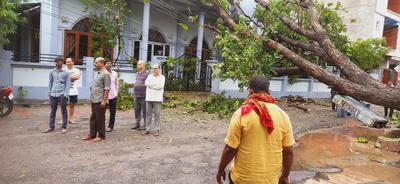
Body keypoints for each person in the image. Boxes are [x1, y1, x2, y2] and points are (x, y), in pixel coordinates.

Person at [216, 76, 295, 184]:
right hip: (271, 180)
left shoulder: (241, 113)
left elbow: (230, 149)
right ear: (269, 91)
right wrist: (285, 175)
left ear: (251, 91)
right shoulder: (283, 116)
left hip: (242, 180)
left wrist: (221, 170)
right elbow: (288, 151)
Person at [81, 57, 111, 142]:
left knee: (100, 118)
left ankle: (101, 136)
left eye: (96, 62)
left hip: (100, 100)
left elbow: (107, 88)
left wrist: (104, 100)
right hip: (94, 99)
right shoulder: (98, 73)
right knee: (93, 118)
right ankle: (92, 134)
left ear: (101, 63)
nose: (95, 64)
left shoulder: (106, 74)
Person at [44, 57, 71, 134]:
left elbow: (68, 84)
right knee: (52, 111)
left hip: (62, 94)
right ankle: (51, 127)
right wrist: (49, 91)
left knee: (64, 110)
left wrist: (66, 94)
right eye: (56, 62)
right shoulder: (52, 71)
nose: (57, 63)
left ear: (62, 62)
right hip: (53, 94)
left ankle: (64, 127)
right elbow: (50, 82)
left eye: (58, 61)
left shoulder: (66, 72)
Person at [142, 64, 165, 136]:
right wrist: (153, 85)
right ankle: (147, 129)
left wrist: (150, 86)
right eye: (153, 68)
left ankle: (156, 129)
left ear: (159, 69)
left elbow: (160, 86)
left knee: (157, 114)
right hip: (149, 98)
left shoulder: (162, 77)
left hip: (157, 98)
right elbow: (146, 83)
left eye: (155, 68)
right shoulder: (149, 76)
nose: (154, 70)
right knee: (148, 114)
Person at [132, 60, 149, 130]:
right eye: (137, 64)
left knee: (145, 111)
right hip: (136, 95)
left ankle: (145, 124)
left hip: (144, 95)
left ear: (143, 65)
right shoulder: (137, 73)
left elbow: (148, 83)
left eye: (139, 64)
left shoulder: (147, 74)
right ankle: (137, 123)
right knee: (136, 110)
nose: (137, 65)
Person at [65, 58, 81, 124]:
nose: (67, 63)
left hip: (73, 90)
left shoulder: (76, 70)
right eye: (66, 62)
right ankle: (64, 119)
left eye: (69, 62)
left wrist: (66, 77)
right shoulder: (63, 69)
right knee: (63, 105)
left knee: (72, 105)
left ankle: (70, 119)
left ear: (73, 62)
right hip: (64, 90)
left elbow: (77, 77)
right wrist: (71, 77)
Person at [105, 59, 119, 132]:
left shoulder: (115, 73)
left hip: (113, 95)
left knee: (112, 112)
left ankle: (110, 126)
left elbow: (116, 84)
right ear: (104, 64)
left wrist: (116, 93)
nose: (109, 65)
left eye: (110, 63)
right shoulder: (102, 73)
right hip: (104, 96)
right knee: (102, 112)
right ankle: (101, 126)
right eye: (108, 63)